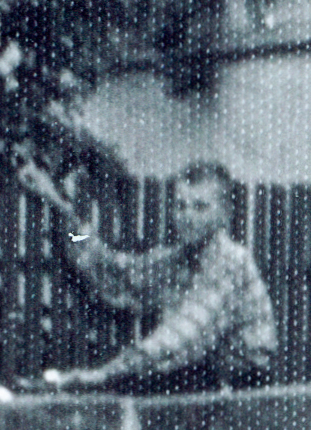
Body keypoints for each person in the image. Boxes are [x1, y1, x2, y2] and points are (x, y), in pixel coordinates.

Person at [19, 158, 278, 394]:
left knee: (123, 388)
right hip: (200, 374)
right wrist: (60, 207)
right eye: (180, 206)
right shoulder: (176, 258)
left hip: (245, 385)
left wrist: (107, 373)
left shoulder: (230, 261)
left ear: (223, 215)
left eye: (200, 207)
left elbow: (183, 335)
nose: (187, 216)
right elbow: (114, 270)